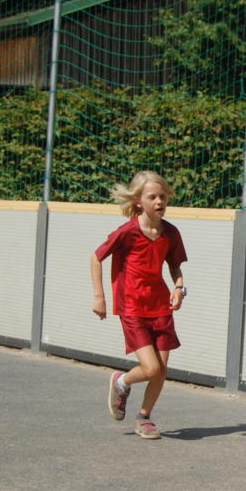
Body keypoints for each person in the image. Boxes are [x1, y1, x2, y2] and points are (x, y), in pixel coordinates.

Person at [90, 170, 188, 440]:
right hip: (132, 307)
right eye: (152, 197)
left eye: (163, 196)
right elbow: (96, 258)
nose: (159, 202)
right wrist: (99, 296)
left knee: (161, 371)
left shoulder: (170, 233)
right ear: (137, 201)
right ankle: (121, 381)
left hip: (160, 307)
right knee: (151, 368)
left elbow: (174, 265)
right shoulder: (128, 232)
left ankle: (144, 417)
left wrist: (179, 288)